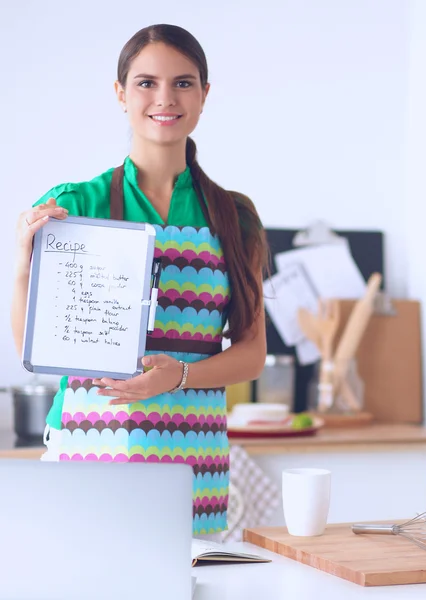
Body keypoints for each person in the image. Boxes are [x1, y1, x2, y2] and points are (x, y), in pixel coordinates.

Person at [11, 24, 268, 540]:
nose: (165, 98)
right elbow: (31, 345)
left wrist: (178, 377)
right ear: (121, 93)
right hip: (90, 451)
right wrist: (22, 264)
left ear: (204, 95)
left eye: (184, 83)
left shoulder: (234, 217)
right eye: (147, 82)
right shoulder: (73, 205)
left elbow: (252, 353)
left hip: (192, 460)